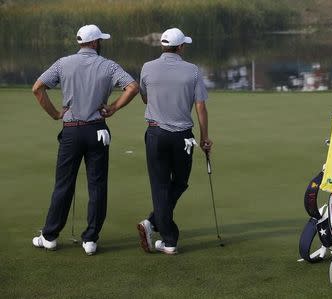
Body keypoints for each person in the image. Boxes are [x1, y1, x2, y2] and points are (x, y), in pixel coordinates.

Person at [31, 24, 139, 255]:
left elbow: (38, 88)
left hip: (71, 130)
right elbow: (132, 87)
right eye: (100, 40)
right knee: (97, 185)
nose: (101, 43)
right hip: (97, 131)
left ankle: (49, 236)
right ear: (94, 42)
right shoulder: (109, 65)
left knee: (63, 184)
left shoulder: (63, 63)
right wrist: (113, 108)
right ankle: (90, 240)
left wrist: (54, 114)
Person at [137, 27, 212, 255]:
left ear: (163, 46)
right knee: (179, 182)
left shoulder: (147, 67)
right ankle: (168, 239)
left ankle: (153, 222)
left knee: (160, 186)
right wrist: (204, 137)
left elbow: (144, 97)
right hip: (182, 138)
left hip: (155, 134)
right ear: (180, 47)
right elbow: (200, 106)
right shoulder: (192, 71)